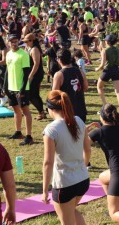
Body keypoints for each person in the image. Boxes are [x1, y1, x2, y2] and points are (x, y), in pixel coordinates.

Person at [42, 90, 92, 225]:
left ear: (50, 109)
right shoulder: (79, 120)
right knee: (72, 211)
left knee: (67, 219)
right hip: (82, 180)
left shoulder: (51, 130)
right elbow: (87, 149)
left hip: (64, 185)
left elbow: (48, 162)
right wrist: (82, 167)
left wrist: (44, 190)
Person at [5, 34, 33, 146]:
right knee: (16, 110)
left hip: (21, 88)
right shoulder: (8, 54)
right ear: (8, 42)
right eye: (12, 41)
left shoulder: (24, 54)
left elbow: (26, 73)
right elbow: (7, 71)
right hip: (11, 87)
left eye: (16, 41)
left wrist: (21, 90)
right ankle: (18, 132)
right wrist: (4, 86)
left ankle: (29, 136)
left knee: (25, 111)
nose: (14, 43)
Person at [52, 49, 88, 122]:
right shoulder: (79, 70)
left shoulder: (59, 75)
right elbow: (85, 87)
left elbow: (54, 95)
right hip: (81, 111)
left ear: (59, 60)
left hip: (67, 113)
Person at [95, 34, 119, 115]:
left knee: (99, 87)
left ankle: (105, 107)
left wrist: (97, 68)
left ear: (107, 42)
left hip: (107, 70)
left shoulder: (105, 50)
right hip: (116, 70)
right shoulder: (117, 49)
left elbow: (102, 64)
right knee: (118, 91)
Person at [23, 33, 46, 121]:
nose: (26, 43)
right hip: (32, 74)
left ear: (32, 41)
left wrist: (30, 76)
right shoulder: (29, 48)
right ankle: (41, 111)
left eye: (27, 41)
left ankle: (41, 111)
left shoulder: (35, 49)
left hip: (36, 74)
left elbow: (36, 64)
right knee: (35, 94)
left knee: (31, 95)